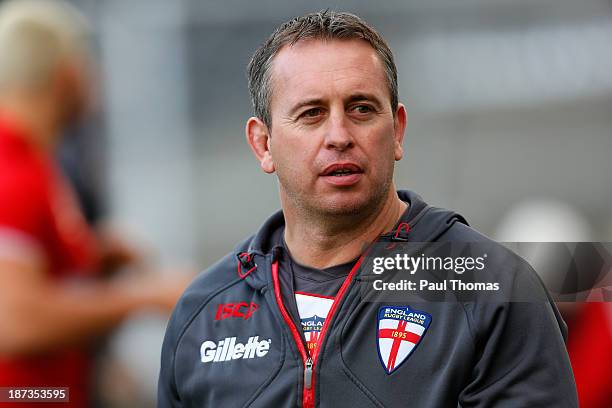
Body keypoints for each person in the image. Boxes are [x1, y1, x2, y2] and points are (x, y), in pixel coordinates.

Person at [158, 10, 578, 407]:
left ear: (396, 130)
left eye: (361, 109)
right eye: (312, 113)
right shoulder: (204, 313)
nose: (338, 135)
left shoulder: (495, 290)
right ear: (263, 144)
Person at [0, 1, 187, 407]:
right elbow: (13, 320)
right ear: (68, 73)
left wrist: (90, 257)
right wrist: (144, 296)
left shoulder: (33, 160)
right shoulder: (11, 169)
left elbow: (28, 278)